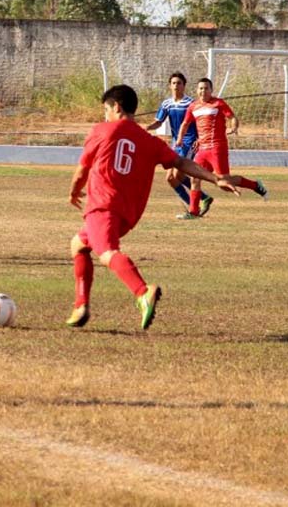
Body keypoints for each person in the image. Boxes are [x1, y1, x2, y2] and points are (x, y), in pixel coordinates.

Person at [65, 84, 226, 330]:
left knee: (107, 253)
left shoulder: (102, 130)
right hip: (128, 213)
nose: (105, 115)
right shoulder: (149, 141)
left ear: (116, 107)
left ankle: (142, 291)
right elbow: (181, 162)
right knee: (78, 244)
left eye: (106, 110)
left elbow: (82, 169)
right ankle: (81, 305)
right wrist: (214, 178)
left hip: (103, 206)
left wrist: (74, 190)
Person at [173, 77, 267, 219]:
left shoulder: (218, 103)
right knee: (195, 178)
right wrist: (180, 139)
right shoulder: (193, 106)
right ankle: (193, 212)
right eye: (201, 88)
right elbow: (185, 124)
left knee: (224, 183)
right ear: (197, 90)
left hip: (217, 148)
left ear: (211, 90)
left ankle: (255, 185)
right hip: (202, 150)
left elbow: (232, 117)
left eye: (206, 88)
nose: (203, 91)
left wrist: (233, 127)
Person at [145, 72, 214, 217]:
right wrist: (147, 127)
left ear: (184, 86)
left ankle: (195, 207)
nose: (176, 86)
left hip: (189, 142)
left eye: (179, 83)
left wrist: (199, 138)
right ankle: (199, 202)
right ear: (170, 86)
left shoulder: (190, 103)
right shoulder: (167, 104)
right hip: (176, 143)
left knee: (177, 174)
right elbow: (158, 122)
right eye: (174, 83)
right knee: (170, 178)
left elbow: (201, 122)